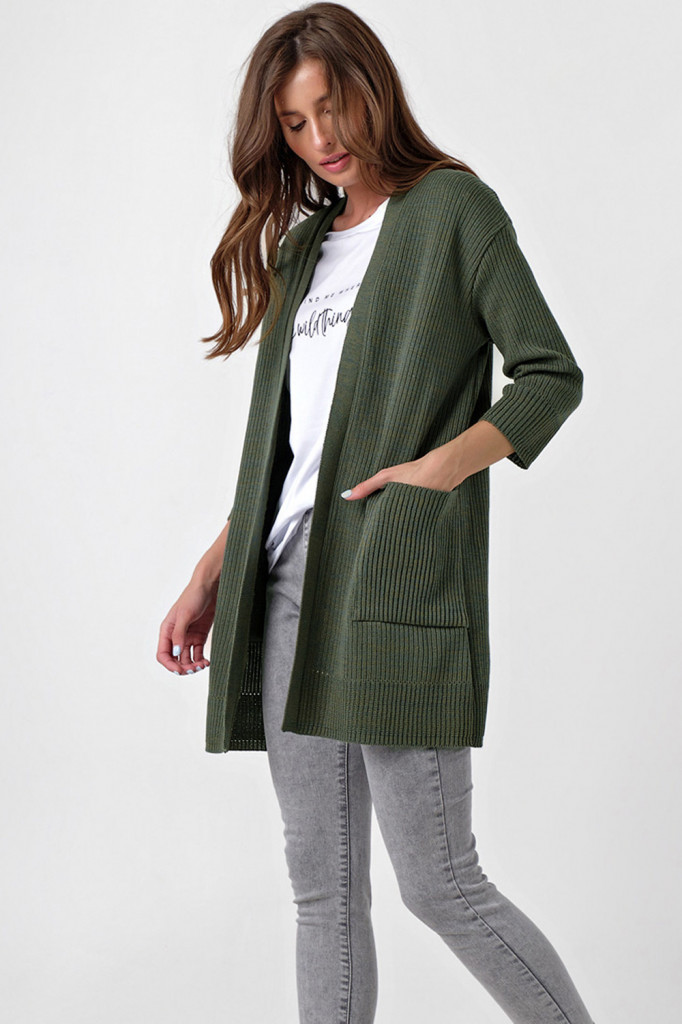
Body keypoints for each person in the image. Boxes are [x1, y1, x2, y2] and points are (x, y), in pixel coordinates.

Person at [157, 4, 595, 1022]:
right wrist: (212, 570)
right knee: (322, 892)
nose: (320, 138)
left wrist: (439, 468)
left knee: (440, 883)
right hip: (284, 582)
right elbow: (288, 455)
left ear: (372, 86)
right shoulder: (301, 252)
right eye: (294, 124)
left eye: (331, 106)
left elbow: (549, 374)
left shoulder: (452, 211)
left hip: (390, 573)